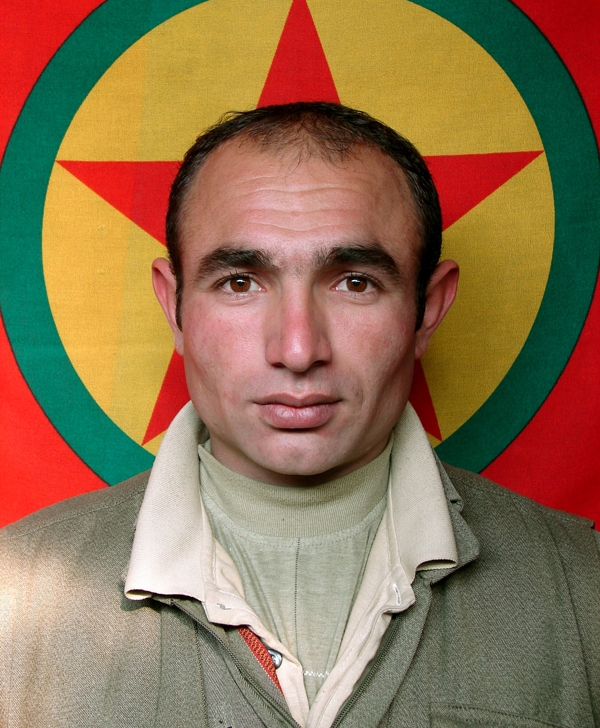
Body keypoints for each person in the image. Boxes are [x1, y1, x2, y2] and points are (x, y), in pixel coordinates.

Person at [1, 102, 599, 728]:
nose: (297, 349)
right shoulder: (12, 603)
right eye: (240, 282)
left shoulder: (584, 589)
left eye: (355, 282)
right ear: (174, 307)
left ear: (428, 309)